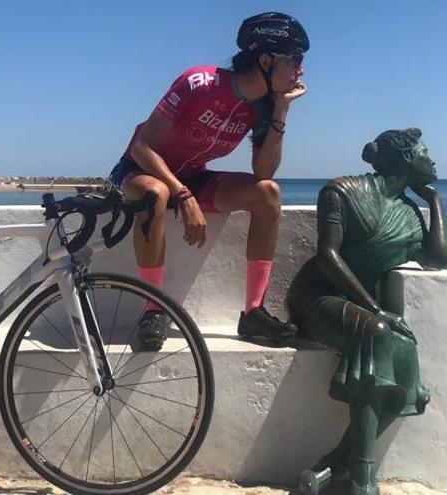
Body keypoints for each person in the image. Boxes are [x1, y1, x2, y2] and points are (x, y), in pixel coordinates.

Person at [108, 12, 310, 350]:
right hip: (142, 172)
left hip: (191, 177)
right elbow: (143, 147)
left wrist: (280, 111)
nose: (301, 70)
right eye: (295, 59)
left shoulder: (261, 107)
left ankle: (253, 313)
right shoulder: (199, 83)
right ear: (265, 60)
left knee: (268, 195)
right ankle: (154, 309)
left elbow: (264, 173)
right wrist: (183, 194)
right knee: (156, 193)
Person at [286, 128, 447, 495]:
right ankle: (362, 476)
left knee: (406, 362)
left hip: (358, 305)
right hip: (315, 297)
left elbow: (440, 258)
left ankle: (332, 466)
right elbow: (327, 256)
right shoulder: (341, 192)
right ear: (408, 158)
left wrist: (435, 200)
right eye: (427, 151)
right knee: (377, 331)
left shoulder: (409, 213)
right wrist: (376, 307)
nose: (433, 159)